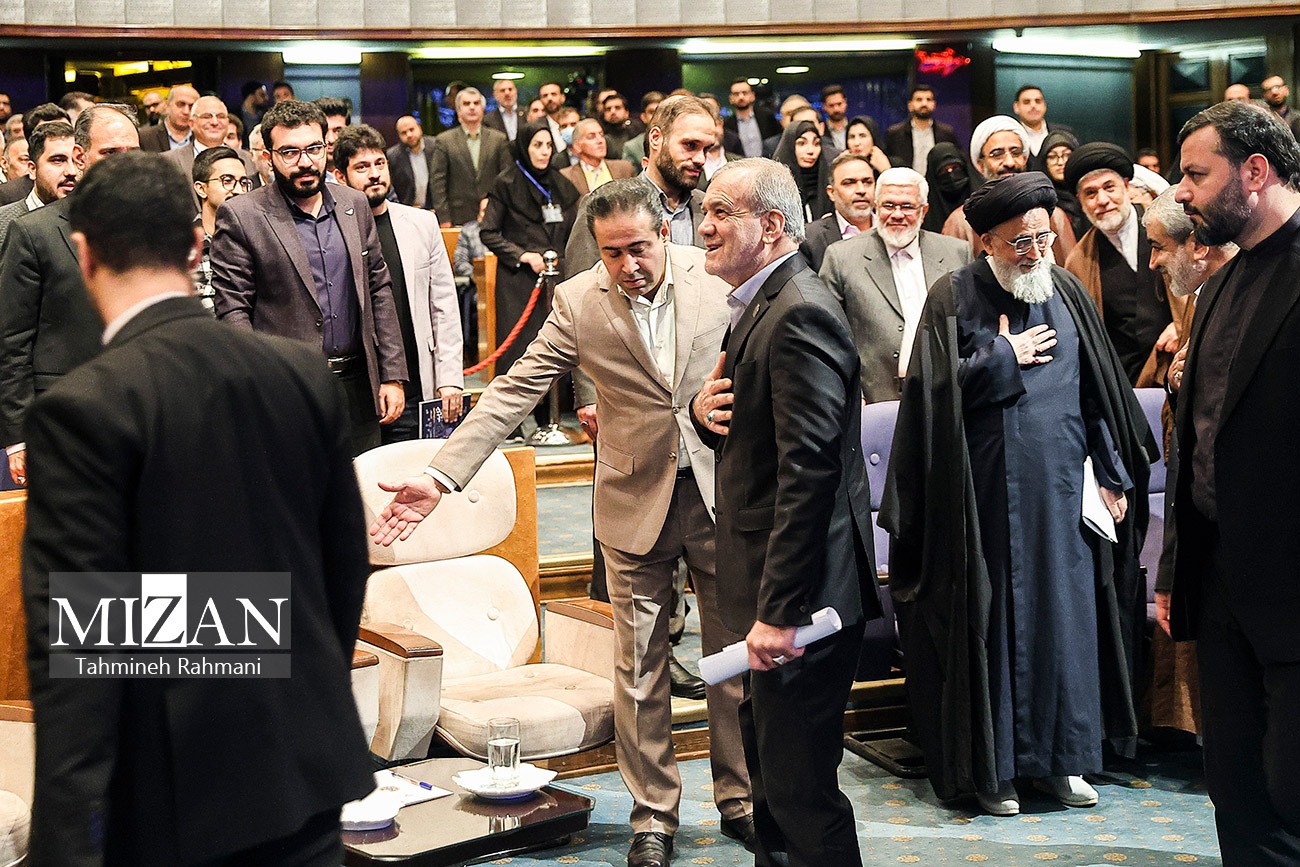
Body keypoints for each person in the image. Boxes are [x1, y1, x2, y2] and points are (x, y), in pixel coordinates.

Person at [368, 177, 756, 867]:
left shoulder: (715, 277)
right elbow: (513, 390)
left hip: (719, 494)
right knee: (638, 670)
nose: (627, 265)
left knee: (730, 659)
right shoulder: (578, 300)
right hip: (632, 504)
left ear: (663, 233)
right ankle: (653, 817)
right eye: (612, 253)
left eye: (638, 248)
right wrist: (440, 475)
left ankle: (741, 798)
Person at [22, 150, 374, 867]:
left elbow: (79, 650)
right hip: (307, 763)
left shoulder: (80, 409)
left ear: (84, 254)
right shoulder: (300, 372)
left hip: (175, 795)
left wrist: (67, 842)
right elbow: (344, 568)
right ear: (195, 245)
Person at [881, 172, 1153, 817]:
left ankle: (1064, 762)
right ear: (987, 243)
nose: (1034, 253)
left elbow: (1096, 391)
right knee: (996, 626)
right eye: (1019, 243)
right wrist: (1002, 355)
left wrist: (1110, 471)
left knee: (1066, 622)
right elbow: (929, 395)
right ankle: (995, 771)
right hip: (983, 501)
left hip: (1063, 496)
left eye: (1042, 239)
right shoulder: (952, 295)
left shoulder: (1066, 289)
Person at [690, 158, 878, 867]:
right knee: (772, 783)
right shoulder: (763, 302)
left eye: (721, 212)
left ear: (771, 225)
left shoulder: (798, 309)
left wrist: (780, 612)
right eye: (704, 212)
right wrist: (704, 415)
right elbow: (761, 436)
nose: (704, 227)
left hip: (802, 604)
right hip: (777, 594)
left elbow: (811, 474)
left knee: (801, 794)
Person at [1163, 99, 1300, 866]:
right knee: (1237, 789)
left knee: (1292, 789)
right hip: (1221, 581)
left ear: (1254, 171)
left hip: (1292, 582)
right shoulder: (1214, 285)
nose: (1180, 192)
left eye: (1195, 174)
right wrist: (1175, 568)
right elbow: (1198, 437)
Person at [210, 98, 408, 455]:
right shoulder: (242, 215)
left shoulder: (354, 204)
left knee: (363, 487)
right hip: (285, 389)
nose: (305, 162)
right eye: (290, 152)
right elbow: (233, 310)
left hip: (358, 387)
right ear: (268, 157)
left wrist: (392, 374)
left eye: (314, 149)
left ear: (326, 149)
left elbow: (378, 289)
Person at [0, 104, 139, 489]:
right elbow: (12, 342)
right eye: (109, 152)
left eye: (131, 152)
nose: (122, 163)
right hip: (63, 414)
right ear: (81, 156)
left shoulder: (157, 226)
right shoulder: (34, 232)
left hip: (142, 409)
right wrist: (18, 436)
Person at [1142, 187, 1236, 739]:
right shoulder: (1203, 299)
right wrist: (1180, 386)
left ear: (1196, 246)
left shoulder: (1240, 295)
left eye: (1158, 247)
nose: (1153, 261)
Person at [333, 124, 464, 442]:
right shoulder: (330, 231)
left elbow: (443, 306)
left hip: (417, 383)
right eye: (361, 167)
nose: (374, 174)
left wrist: (450, 378)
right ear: (340, 176)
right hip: (357, 391)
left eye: (379, 163)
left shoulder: (422, 223)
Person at [819, 165, 970, 402]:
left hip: (944, 395)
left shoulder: (956, 252)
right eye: (888, 205)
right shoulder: (841, 257)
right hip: (873, 399)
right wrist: (851, 395)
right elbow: (826, 335)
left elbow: (968, 326)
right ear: (876, 206)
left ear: (924, 211)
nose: (897, 214)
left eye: (907, 206)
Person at [1062, 142, 1184, 386]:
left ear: (1126, 186)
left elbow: (1200, 290)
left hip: (1175, 364)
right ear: (1080, 201)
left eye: (1109, 187)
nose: (1102, 200)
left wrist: (1182, 324)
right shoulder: (1079, 261)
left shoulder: (1168, 230)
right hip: (1121, 380)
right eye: (1091, 193)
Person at [480, 119, 578, 401]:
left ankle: (556, 409)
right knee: (520, 347)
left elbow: (573, 230)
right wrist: (522, 255)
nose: (544, 151)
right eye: (537, 145)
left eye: (548, 145)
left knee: (559, 344)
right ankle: (516, 412)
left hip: (557, 276)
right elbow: (488, 232)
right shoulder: (506, 183)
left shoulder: (561, 184)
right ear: (525, 147)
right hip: (519, 280)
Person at [942, 115, 1076, 262]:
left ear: (1025, 158)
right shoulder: (960, 223)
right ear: (980, 164)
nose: (1009, 162)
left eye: (1016, 152)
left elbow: (1069, 272)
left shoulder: (1055, 217)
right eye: (997, 154)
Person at [162, 95, 261, 209]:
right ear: (191, 124)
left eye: (220, 116)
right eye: (206, 116)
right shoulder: (168, 161)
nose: (214, 122)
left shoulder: (249, 159)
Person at [430, 87, 510, 227]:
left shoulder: (499, 139)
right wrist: (444, 218)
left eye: (476, 103)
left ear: (483, 109)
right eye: (466, 104)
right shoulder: (444, 140)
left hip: (494, 214)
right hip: (458, 217)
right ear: (458, 110)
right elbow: (438, 182)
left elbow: (506, 177)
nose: (472, 107)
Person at [191, 145, 252, 312]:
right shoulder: (183, 245)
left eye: (243, 183)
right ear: (201, 189)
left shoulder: (259, 239)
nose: (238, 190)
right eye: (227, 181)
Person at [0, 121, 76, 251]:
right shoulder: (3, 222)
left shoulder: (92, 221)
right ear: (32, 169)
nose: (71, 171)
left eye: (76, 160)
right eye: (58, 160)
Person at [799, 151, 877, 272]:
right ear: (831, 193)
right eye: (849, 183)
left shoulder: (894, 229)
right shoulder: (810, 239)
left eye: (867, 182)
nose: (861, 190)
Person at [884, 85, 959, 174]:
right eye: (919, 100)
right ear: (910, 105)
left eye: (928, 99)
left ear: (934, 104)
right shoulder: (895, 134)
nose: (924, 104)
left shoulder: (946, 133)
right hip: (906, 181)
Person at [771, 119, 831, 222]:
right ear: (789, 146)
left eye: (816, 143)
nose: (810, 151)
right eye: (802, 143)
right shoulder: (774, 186)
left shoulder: (829, 182)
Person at [560, 118, 635, 195]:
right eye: (591, 137)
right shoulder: (566, 177)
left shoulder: (625, 168)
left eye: (601, 135)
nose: (600, 140)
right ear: (577, 146)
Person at [1011, 85, 1074, 169]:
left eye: (1038, 101)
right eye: (1026, 102)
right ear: (1016, 107)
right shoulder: (1011, 136)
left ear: (1044, 105)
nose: (1033, 105)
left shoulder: (1064, 133)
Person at [1041, 130, 1087, 240]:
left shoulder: (1089, 192)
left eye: (1067, 155)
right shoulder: (1041, 200)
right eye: (1052, 157)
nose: (1060, 162)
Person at [922, 141, 976, 234]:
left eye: (955, 168)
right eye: (943, 171)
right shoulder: (927, 215)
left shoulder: (984, 197)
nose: (951, 175)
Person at [388, 115, 436, 209]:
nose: (409, 135)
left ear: (419, 128)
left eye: (412, 129)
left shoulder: (436, 146)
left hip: (436, 209)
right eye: (404, 133)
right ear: (399, 135)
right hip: (409, 210)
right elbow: (392, 189)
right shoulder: (393, 156)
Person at [723, 79, 780, 159]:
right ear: (731, 98)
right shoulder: (727, 125)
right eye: (736, 94)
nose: (741, 97)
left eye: (745, 93)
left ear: (752, 96)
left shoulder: (767, 118)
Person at [137, 84, 196, 152]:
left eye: (191, 106)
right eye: (180, 104)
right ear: (168, 105)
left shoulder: (203, 135)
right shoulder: (145, 137)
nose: (186, 111)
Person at [1260, 74, 1300, 139]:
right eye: (1269, 89)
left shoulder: (1297, 118)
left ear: (1286, 90)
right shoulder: (1260, 121)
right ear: (1264, 95)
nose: (1274, 93)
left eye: (1277, 87)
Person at [820, 84, 849, 156]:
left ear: (845, 103)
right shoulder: (821, 131)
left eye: (839, 104)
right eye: (831, 105)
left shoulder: (855, 127)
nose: (836, 109)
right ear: (824, 106)